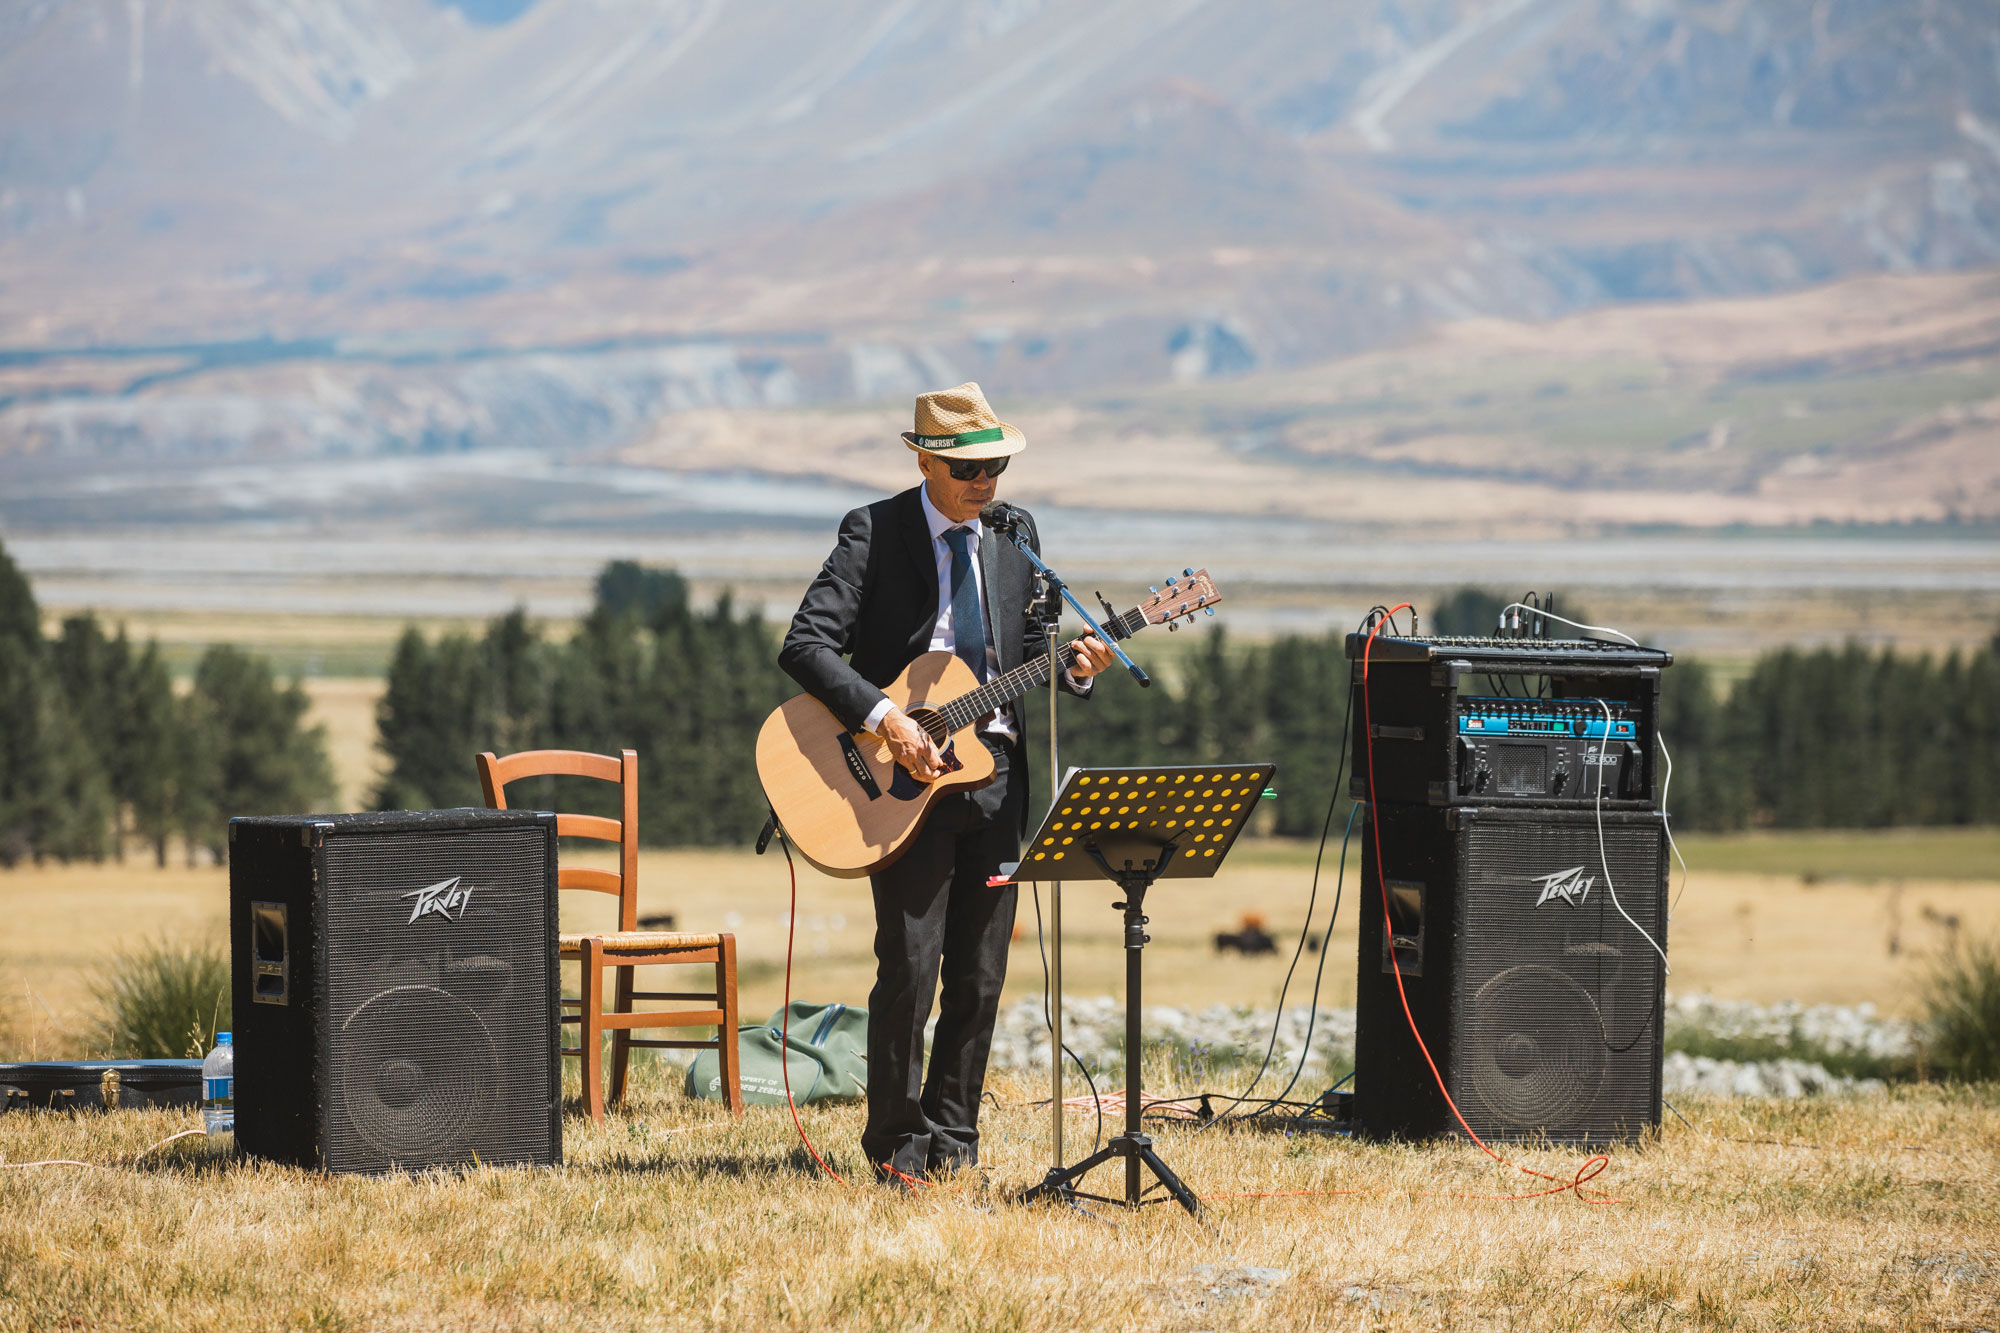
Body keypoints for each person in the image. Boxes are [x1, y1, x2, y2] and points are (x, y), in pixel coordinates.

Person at [779, 382, 1115, 1184]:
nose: (988, 482)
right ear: (926, 459)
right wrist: (888, 718)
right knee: (910, 965)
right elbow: (806, 645)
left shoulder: (1014, 533)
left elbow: (1036, 650)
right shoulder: (874, 530)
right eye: (971, 467)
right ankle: (897, 1145)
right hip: (898, 788)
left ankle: (955, 1142)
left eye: (997, 464)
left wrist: (1076, 670)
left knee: (981, 972)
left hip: (996, 782)